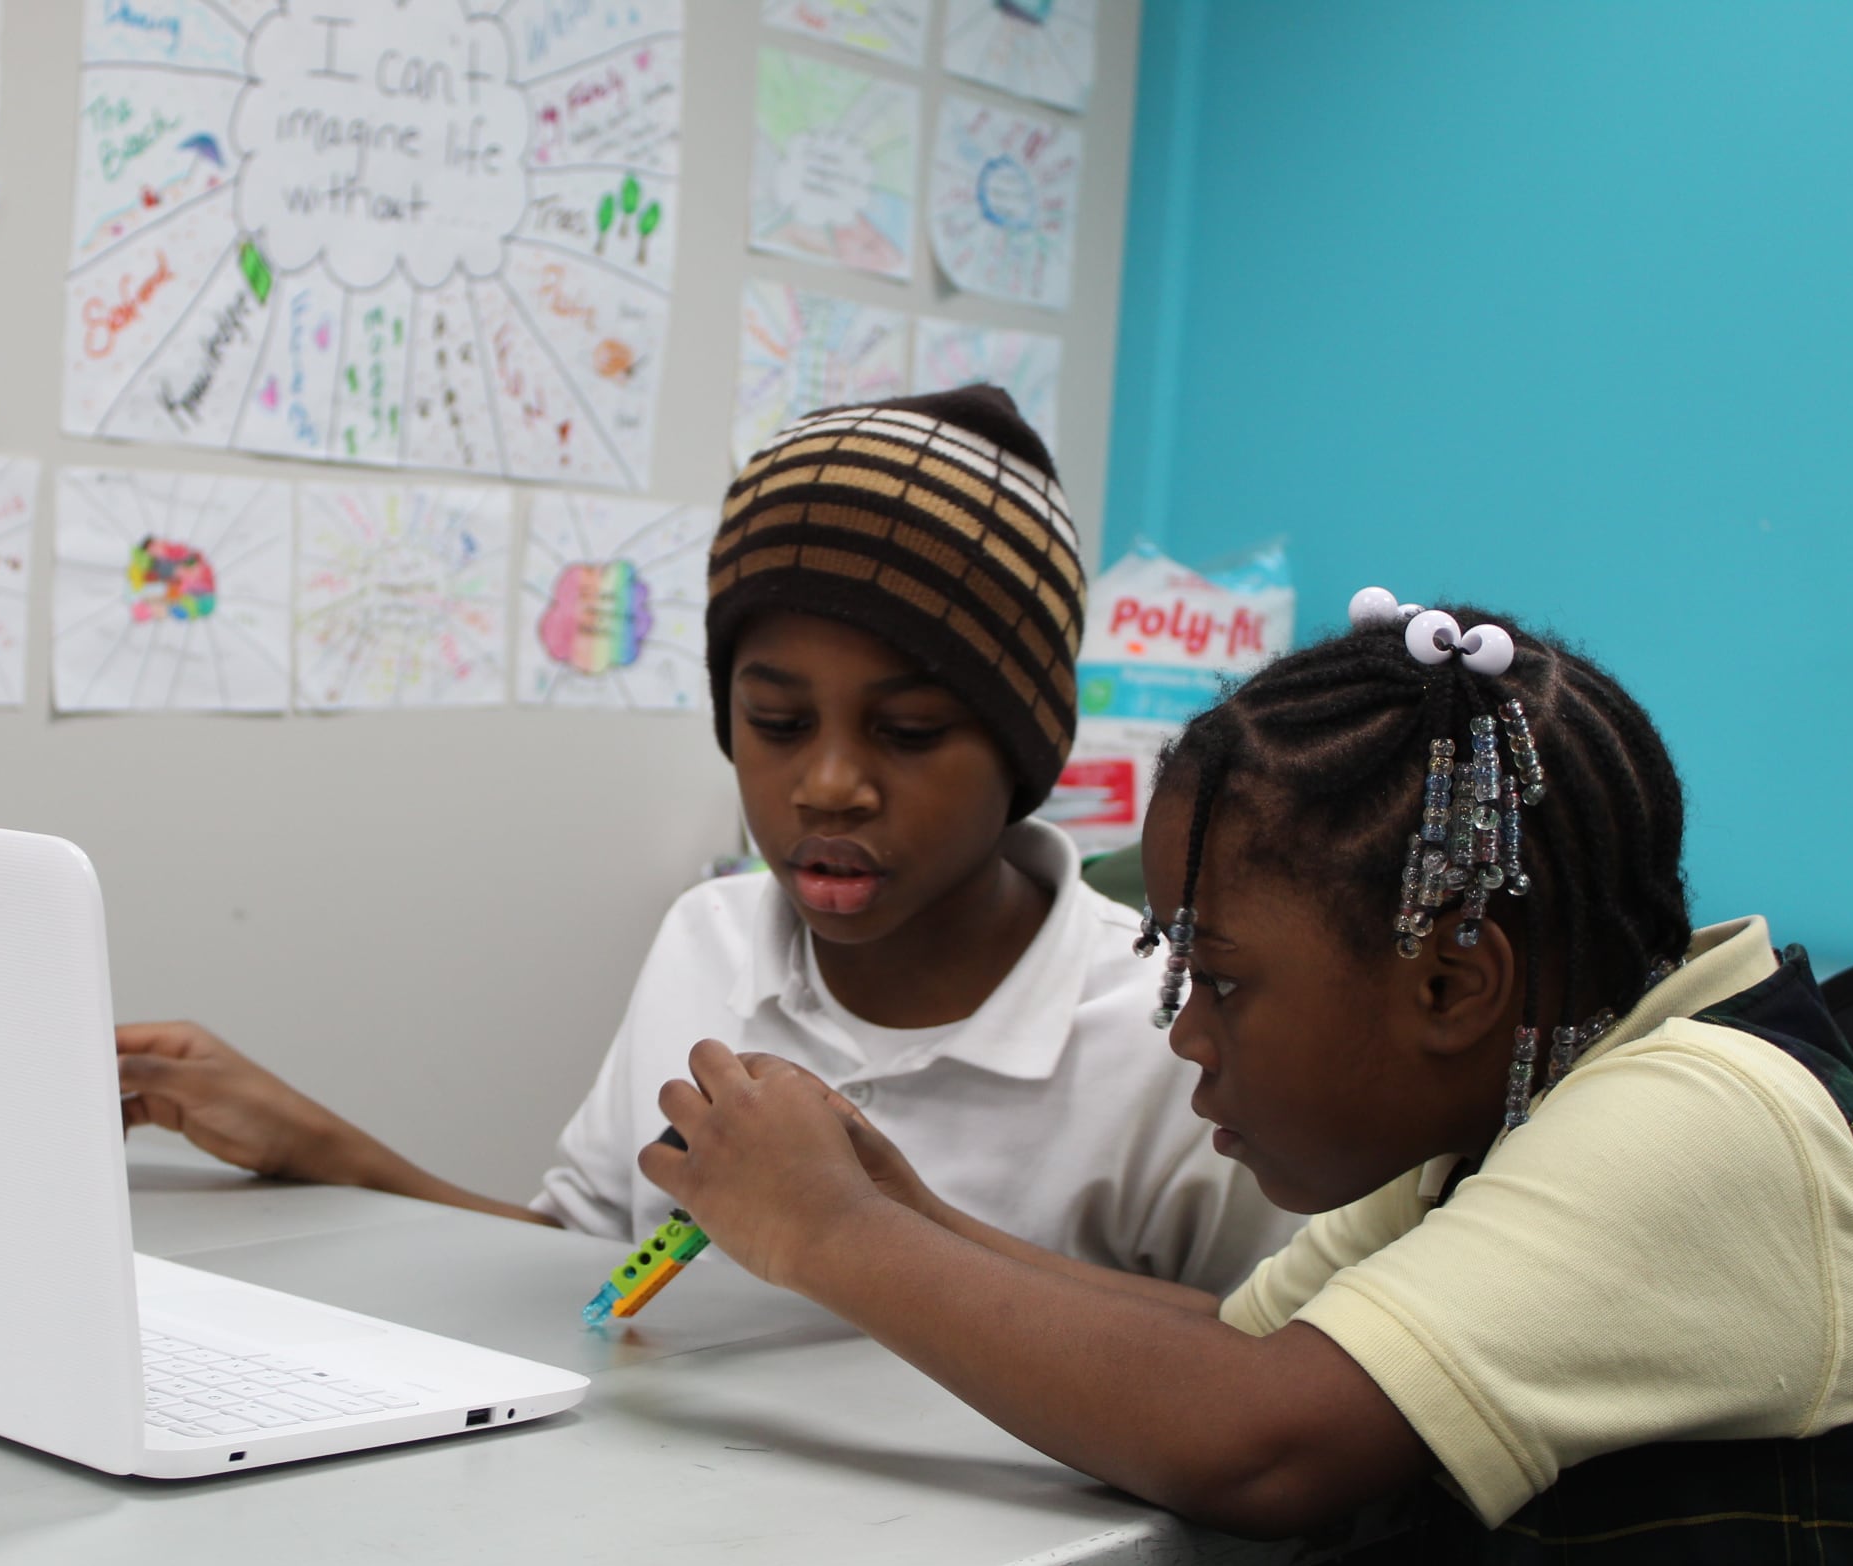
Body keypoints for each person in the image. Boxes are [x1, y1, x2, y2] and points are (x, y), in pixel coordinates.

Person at [639, 592, 1853, 1566]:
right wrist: (898, 1206)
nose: (1189, 1038)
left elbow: (1255, 1442)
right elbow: (1241, 1345)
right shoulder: (1529, 1107)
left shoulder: (1702, 1117)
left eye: (1219, 981)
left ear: (1448, 985)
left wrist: (828, 1233)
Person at [117, 388, 1295, 1296]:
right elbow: (586, 1268)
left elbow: (1256, 1383)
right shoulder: (708, 940)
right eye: (777, 723)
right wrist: (316, 1146)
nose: (828, 785)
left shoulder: (1169, 1032)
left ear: (1028, 746)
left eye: (911, 730)